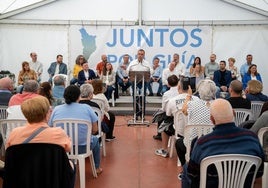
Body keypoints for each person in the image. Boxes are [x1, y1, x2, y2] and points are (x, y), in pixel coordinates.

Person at [183, 99, 264, 188]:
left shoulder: (203, 143)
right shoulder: (252, 138)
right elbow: (259, 174)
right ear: (234, 113)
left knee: (186, 168)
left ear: (212, 120)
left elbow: (193, 176)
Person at [48, 85, 103, 174]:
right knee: (96, 139)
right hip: (83, 148)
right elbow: (95, 130)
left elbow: (50, 127)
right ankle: (96, 168)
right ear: (79, 96)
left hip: (62, 148)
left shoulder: (57, 109)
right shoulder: (87, 108)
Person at [176, 79, 216, 178]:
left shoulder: (192, 104)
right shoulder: (218, 104)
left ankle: (186, 169)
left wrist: (189, 95)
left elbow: (184, 111)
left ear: (199, 91)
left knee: (179, 143)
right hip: (213, 145)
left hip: (193, 145)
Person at [155, 78, 199, 158]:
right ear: (189, 87)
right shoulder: (197, 99)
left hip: (179, 131)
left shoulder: (172, 101)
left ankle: (164, 150)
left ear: (179, 87)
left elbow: (168, 114)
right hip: (194, 131)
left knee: (164, 125)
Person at [127, 49, 153, 120]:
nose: (140, 55)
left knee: (142, 98)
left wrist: (149, 72)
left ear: (144, 55)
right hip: (134, 81)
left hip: (143, 82)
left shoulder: (146, 63)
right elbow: (127, 71)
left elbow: (151, 71)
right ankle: (135, 115)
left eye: (142, 54)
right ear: (137, 55)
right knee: (135, 98)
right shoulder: (133, 62)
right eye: (139, 54)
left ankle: (142, 115)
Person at [153, 75, 179, 140]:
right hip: (180, 114)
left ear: (168, 84)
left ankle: (160, 134)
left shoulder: (166, 94)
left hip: (170, 116)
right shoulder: (181, 92)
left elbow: (164, 108)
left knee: (160, 114)